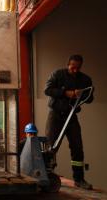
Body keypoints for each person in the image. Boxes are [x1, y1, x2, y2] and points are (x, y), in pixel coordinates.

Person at [44, 55, 94, 190]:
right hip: (55, 116)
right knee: (51, 147)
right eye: (73, 68)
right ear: (68, 64)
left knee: (77, 147)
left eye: (78, 68)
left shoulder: (85, 79)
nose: (75, 70)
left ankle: (79, 179)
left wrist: (80, 94)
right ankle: (46, 175)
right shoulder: (57, 74)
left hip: (71, 117)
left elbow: (90, 98)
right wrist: (65, 93)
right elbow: (47, 90)